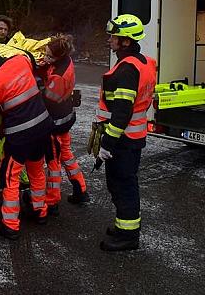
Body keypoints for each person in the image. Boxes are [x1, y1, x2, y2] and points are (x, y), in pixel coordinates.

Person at [0, 46, 53, 239]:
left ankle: (10, 225)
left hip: (20, 134)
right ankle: (40, 211)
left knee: (10, 177)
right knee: (36, 169)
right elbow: (31, 63)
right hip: (43, 126)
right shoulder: (20, 60)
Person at [95, 14, 156, 252]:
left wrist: (107, 143)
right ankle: (125, 228)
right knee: (123, 183)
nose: (110, 40)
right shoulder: (143, 62)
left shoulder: (127, 69)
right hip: (132, 138)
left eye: (114, 36)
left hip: (123, 140)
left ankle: (128, 236)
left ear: (126, 42)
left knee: (122, 185)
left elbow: (122, 112)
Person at [39, 34, 89, 213]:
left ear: (58, 56)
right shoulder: (65, 61)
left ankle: (52, 201)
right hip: (66, 117)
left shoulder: (59, 76)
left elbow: (47, 99)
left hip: (56, 122)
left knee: (53, 162)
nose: (45, 58)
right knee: (66, 154)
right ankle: (80, 190)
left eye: (49, 56)